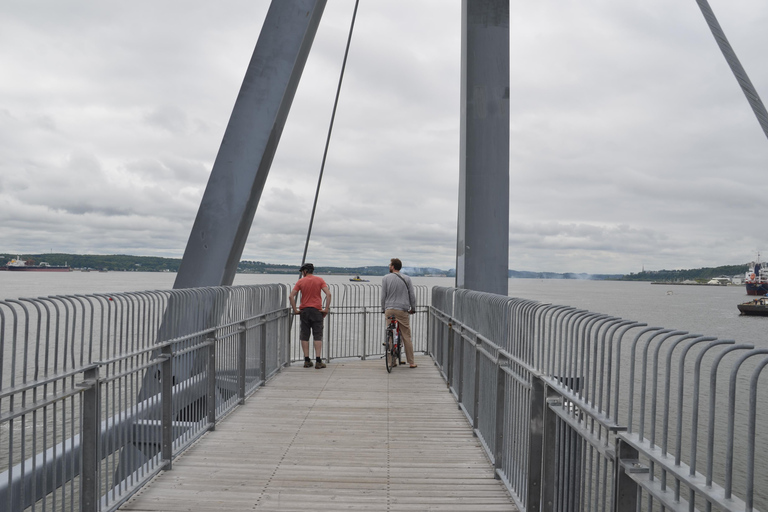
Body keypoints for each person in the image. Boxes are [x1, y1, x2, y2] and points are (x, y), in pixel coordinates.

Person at [289, 263, 331, 369]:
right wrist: (325, 309)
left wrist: (295, 310)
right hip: (317, 311)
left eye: (302, 271)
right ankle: (318, 361)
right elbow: (328, 294)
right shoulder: (320, 280)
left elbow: (291, 296)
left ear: (305, 271)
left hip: (304, 311)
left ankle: (307, 360)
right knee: (317, 335)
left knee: (304, 336)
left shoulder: (301, 281)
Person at [381, 258, 417, 368]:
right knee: (406, 336)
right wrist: (413, 308)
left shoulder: (385, 278)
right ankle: (411, 362)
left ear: (392, 267)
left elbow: (383, 295)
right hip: (402, 309)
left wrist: (383, 308)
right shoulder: (407, 278)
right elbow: (412, 295)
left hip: (390, 309)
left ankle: (392, 362)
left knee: (390, 334)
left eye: (390, 265)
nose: (389, 266)